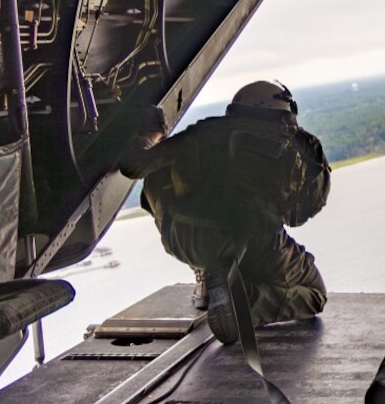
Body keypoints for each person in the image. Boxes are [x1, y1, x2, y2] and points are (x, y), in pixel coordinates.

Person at [121, 80, 331, 345]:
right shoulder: (292, 144)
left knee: (160, 176)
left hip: (183, 239)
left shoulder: (205, 132)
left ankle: (211, 281)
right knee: (314, 292)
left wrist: (152, 134)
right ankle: (245, 303)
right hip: (252, 241)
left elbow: (134, 166)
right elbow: (302, 213)